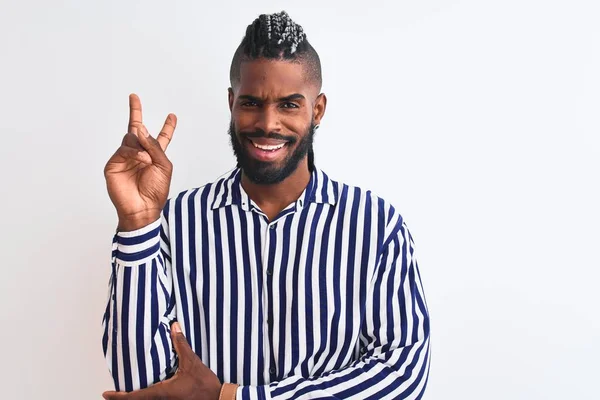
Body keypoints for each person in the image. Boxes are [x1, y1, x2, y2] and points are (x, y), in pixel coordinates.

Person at [101, 10, 430, 400]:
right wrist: (138, 222)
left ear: (317, 110)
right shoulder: (175, 222)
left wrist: (231, 396)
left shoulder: (375, 226)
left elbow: (402, 376)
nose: (268, 123)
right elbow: (140, 385)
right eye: (252, 103)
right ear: (231, 102)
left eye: (290, 105)